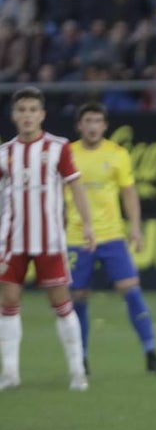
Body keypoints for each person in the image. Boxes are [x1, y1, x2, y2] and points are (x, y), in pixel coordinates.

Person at [65, 102, 156, 377]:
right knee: (78, 296)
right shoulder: (67, 154)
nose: (92, 126)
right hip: (76, 237)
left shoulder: (117, 154)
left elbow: (129, 193)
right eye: (87, 120)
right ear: (79, 125)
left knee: (131, 289)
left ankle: (151, 352)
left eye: (97, 120)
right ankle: (81, 358)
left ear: (104, 125)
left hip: (112, 235)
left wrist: (135, 227)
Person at [0, 87, 96, 391]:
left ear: (42, 114)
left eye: (32, 110)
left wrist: (88, 225)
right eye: (22, 110)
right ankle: (11, 373)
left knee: (61, 303)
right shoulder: (5, 153)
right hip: (11, 240)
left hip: (50, 240)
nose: (27, 116)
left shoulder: (59, 147)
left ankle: (77, 370)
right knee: (8, 302)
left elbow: (76, 187)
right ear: (14, 115)